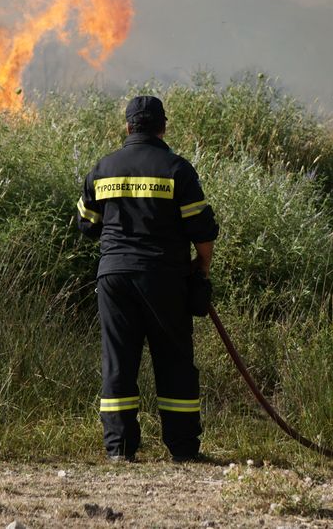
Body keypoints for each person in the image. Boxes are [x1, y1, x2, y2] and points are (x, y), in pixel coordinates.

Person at [76, 95, 219, 462]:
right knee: (173, 361)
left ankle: (119, 450)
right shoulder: (177, 169)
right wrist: (201, 271)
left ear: (127, 127)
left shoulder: (103, 168)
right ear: (162, 126)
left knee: (118, 361)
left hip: (114, 279)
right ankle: (183, 450)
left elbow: (85, 224)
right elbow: (202, 231)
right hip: (164, 278)